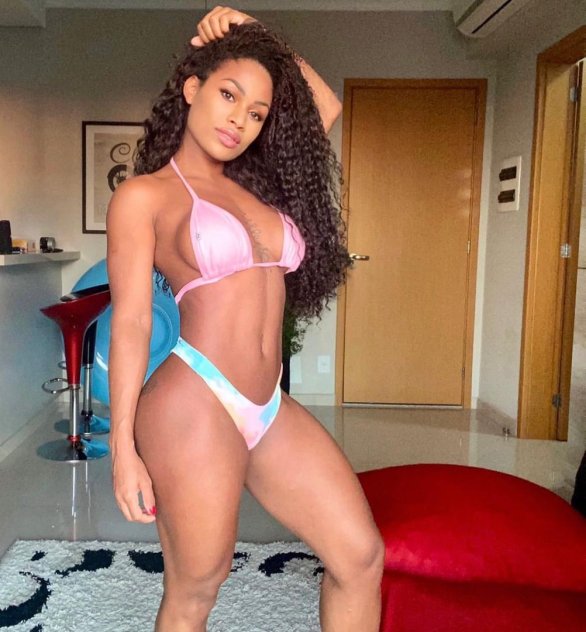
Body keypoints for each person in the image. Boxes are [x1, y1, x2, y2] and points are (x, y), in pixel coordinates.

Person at [106, 6, 384, 631]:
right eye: (229, 95)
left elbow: (325, 106)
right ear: (192, 88)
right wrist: (123, 448)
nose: (240, 119)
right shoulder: (145, 195)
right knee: (197, 586)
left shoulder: (258, 188)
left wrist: (251, 28)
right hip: (195, 399)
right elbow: (131, 323)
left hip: (267, 402)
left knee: (361, 556)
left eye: (257, 112)